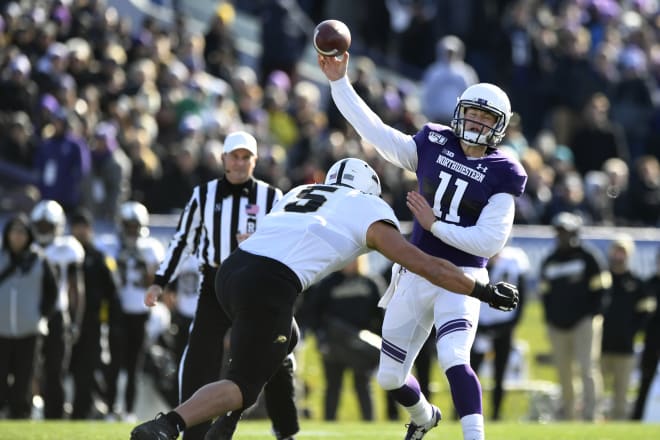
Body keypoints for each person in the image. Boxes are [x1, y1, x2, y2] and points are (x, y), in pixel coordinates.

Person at [129, 158, 519, 440]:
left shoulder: (302, 191)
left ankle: (235, 425)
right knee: (243, 384)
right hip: (270, 281)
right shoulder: (369, 206)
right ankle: (168, 426)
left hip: (232, 272)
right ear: (370, 189)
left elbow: (254, 239)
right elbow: (425, 265)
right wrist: (482, 290)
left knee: (288, 336)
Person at [319, 54, 527, 440]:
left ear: (500, 126)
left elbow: (489, 240)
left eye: (487, 118)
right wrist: (339, 83)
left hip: (461, 277)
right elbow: (375, 131)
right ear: (460, 111)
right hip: (415, 272)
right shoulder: (433, 141)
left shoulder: (504, 171)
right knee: (389, 376)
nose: (477, 123)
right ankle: (425, 416)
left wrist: (435, 225)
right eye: (473, 113)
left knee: (453, 356)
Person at [143, 131, 298, 440]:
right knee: (199, 357)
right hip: (215, 283)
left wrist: (260, 242)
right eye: (235, 156)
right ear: (223, 159)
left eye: (246, 157)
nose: (240, 163)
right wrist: (160, 282)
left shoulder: (273, 196)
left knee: (277, 355)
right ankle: (190, 431)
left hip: (258, 286)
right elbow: (182, 240)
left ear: (255, 161)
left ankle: (285, 430)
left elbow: (287, 241)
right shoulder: (204, 194)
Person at [539, 212, 611, 421]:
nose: (562, 236)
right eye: (559, 232)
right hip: (558, 325)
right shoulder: (550, 261)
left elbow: (602, 291)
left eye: (566, 232)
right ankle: (569, 417)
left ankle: (591, 415)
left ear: (575, 233)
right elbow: (545, 296)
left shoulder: (589, 258)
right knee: (564, 372)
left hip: (584, 322)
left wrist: (592, 316)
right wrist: (551, 320)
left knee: (587, 369)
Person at [303, 255, 383, 421]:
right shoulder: (327, 283)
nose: (349, 263)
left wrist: (375, 339)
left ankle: (370, 423)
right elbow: (313, 313)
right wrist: (321, 338)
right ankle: (329, 422)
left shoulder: (370, 282)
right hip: (334, 344)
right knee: (333, 386)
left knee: (363, 385)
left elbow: (382, 314)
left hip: (362, 346)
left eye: (353, 259)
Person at [105, 201, 164, 422]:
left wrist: (143, 267)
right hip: (117, 311)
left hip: (140, 312)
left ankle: (128, 410)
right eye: (127, 226)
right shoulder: (110, 246)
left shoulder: (150, 248)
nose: (131, 230)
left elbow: (157, 280)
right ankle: (111, 409)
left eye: (134, 226)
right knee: (113, 363)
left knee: (133, 365)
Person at [30, 199, 85, 419]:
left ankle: (55, 414)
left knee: (55, 370)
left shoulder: (67, 248)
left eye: (48, 226)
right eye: (40, 226)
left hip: (56, 314)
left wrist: (75, 320)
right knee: (29, 367)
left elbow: (76, 289)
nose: (43, 230)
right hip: (31, 315)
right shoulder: (28, 248)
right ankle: (30, 408)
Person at [0, 214, 57, 419]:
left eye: (22, 232)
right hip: (1, 330)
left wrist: (40, 316)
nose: (17, 236)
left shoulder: (39, 260)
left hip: (29, 331)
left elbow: (52, 292)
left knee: (24, 377)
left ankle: (20, 415)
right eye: (13, 231)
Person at [68, 208, 121, 419]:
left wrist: (112, 323)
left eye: (84, 226)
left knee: (87, 369)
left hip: (91, 322)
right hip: (65, 321)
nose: (80, 231)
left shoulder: (99, 258)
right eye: (76, 226)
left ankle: (82, 411)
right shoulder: (63, 256)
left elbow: (112, 292)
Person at [470, 246, 529, 421]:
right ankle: (464, 411)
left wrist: (512, 323)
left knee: (500, 373)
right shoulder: (475, 258)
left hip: (504, 324)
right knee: (470, 370)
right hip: (478, 324)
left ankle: (496, 413)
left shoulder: (515, 259)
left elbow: (523, 295)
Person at [600, 234, 652, 420]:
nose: (618, 256)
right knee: (597, 393)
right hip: (600, 346)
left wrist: (631, 332)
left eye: (622, 252)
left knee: (620, 396)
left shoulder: (637, 284)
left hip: (625, 347)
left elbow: (644, 315)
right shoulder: (603, 279)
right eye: (616, 251)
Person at [632, 247, 660, 420]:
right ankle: (638, 418)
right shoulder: (648, 284)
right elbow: (641, 316)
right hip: (652, 341)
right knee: (646, 381)